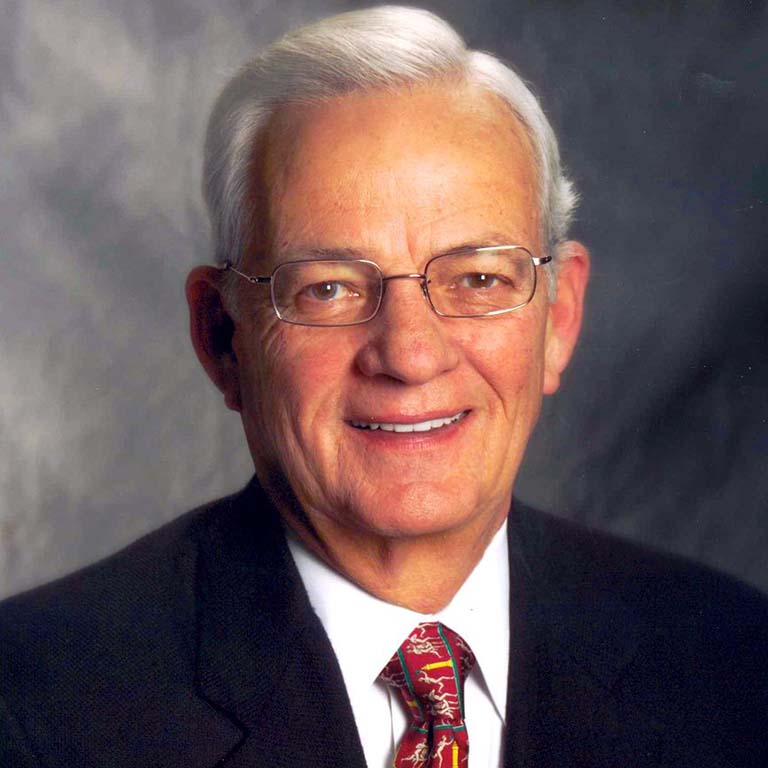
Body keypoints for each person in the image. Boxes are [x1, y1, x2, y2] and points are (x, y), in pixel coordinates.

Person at [1, 6, 766, 767]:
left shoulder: (734, 664)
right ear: (222, 336)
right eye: (328, 289)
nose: (409, 354)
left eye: (478, 278)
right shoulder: (34, 707)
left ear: (558, 318)